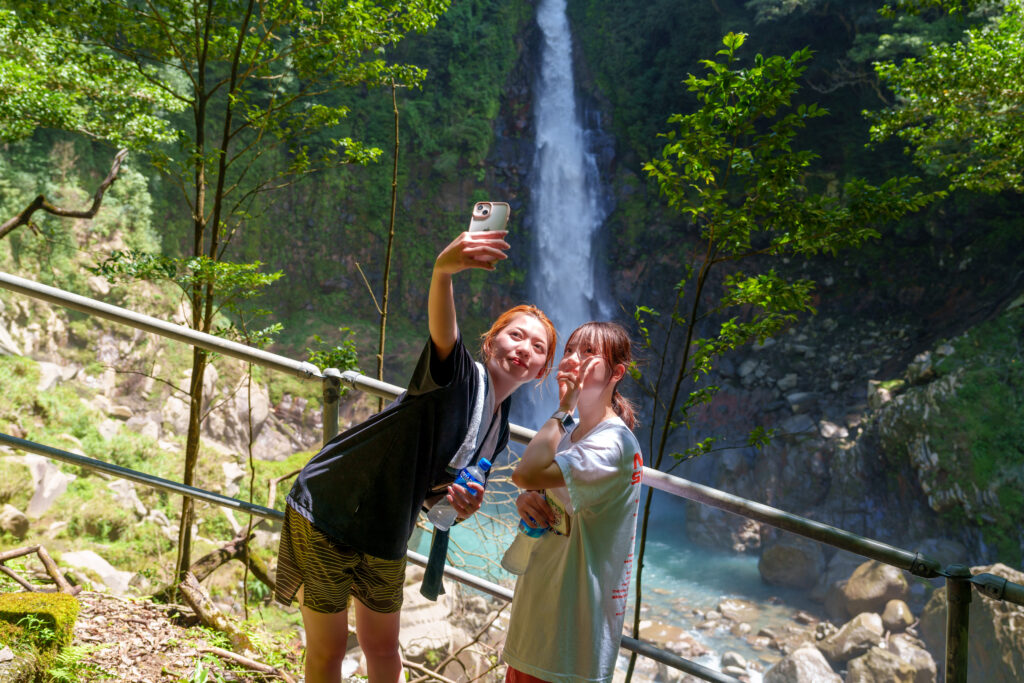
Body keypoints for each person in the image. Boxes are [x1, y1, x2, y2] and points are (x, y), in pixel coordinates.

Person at [274, 229, 557, 683]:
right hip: (332, 507)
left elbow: (434, 496)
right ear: (491, 342)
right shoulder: (456, 374)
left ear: (543, 369)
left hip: (387, 529)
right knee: (327, 651)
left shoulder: (498, 433)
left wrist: (458, 505)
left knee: (385, 652)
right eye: (515, 336)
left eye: (537, 347)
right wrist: (443, 270)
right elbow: (444, 330)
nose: (523, 349)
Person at [502, 321, 643, 683]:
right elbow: (533, 482)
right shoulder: (573, 432)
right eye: (569, 350)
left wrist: (564, 406)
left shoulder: (613, 445)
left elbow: (525, 473)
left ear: (617, 373)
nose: (573, 359)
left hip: (569, 642)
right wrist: (528, 500)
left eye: (588, 352)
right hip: (539, 619)